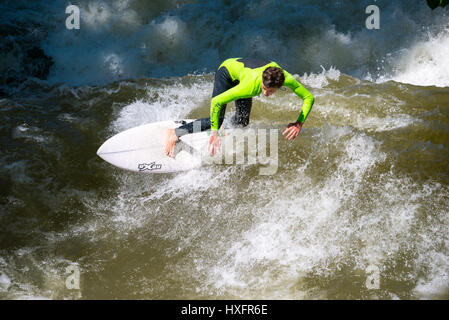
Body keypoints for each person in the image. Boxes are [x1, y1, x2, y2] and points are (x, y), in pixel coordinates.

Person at [164, 57, 314, 157]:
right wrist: (215, 130)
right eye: (264, 89)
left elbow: (309, 97)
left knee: (242, 121)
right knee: (214, 120)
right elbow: (216, 101)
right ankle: (175, 133)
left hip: (244, 73)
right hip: (227, 73)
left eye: (270, 91)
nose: (265, 93)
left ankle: (222, 129)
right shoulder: (249, 87)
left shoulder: (285, 78)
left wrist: (299, 123)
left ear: (280, 85)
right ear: (262, 80)